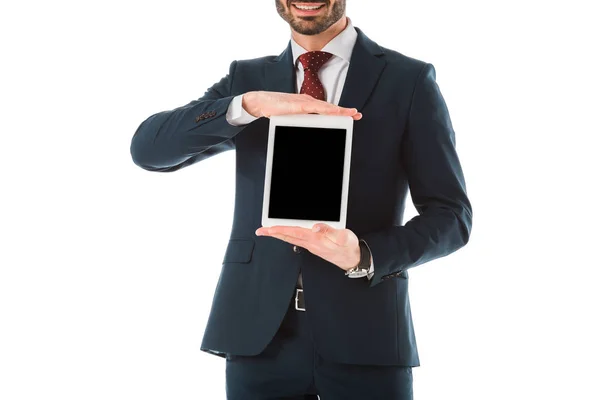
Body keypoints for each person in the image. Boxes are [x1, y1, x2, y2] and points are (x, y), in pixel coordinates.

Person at [130, 1, 473, 398]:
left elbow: (452, 216)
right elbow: (148, 150)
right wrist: (248, 106)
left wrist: (365, 254)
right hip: (258, 333)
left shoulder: (407, 79)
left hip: (366, 334)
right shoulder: (248, 79)